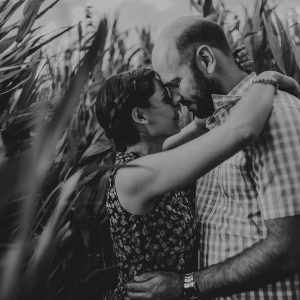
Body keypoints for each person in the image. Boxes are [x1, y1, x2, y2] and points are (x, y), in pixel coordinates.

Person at [126, 16, 300, 299]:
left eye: (175, 83)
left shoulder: (277, 115)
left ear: (206, 60)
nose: (175, 99)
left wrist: (185, 285)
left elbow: (290, 248)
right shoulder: (214, 126)